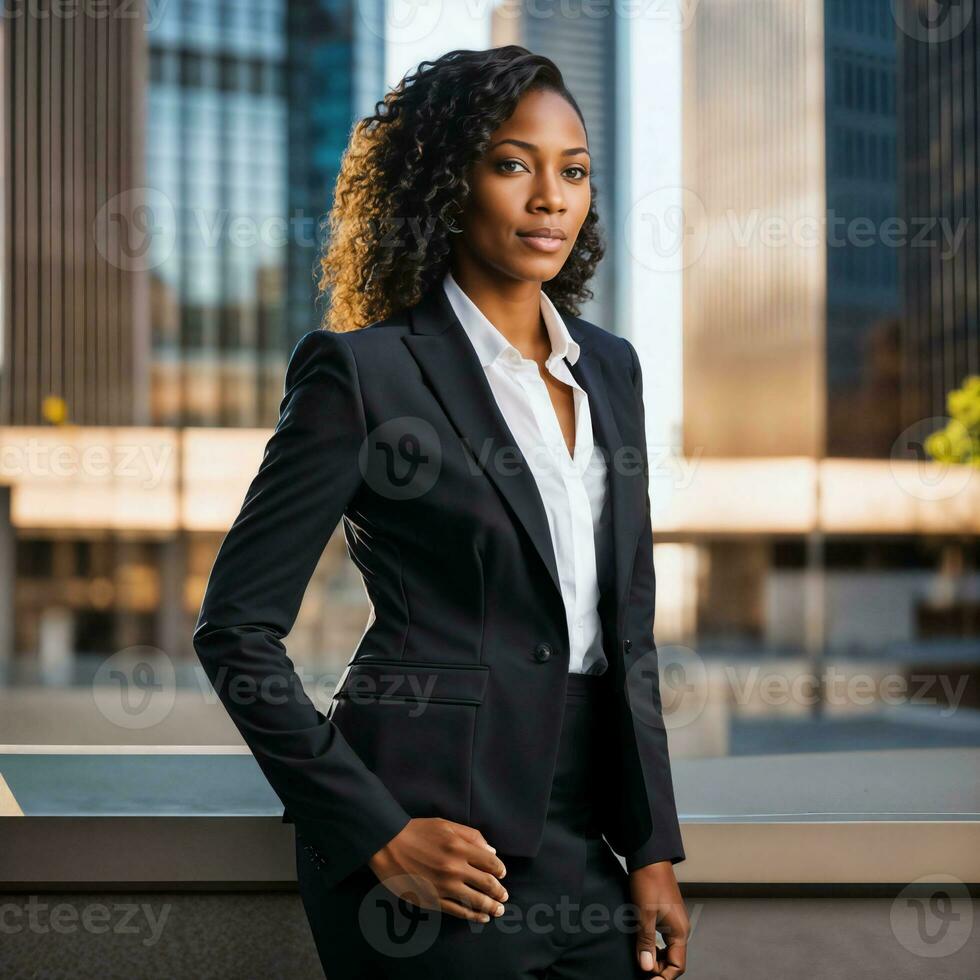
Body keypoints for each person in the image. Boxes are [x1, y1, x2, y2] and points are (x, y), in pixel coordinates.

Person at [193, 45, 689, 979]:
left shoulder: (611, 368)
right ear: (443, 182)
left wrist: (654, 848)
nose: (550, 197)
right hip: (432, 845)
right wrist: (374, 829)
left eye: (572, 171)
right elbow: (235, 631)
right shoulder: (364, 372)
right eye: (512, 164)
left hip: (590, 850)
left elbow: (628, 631)